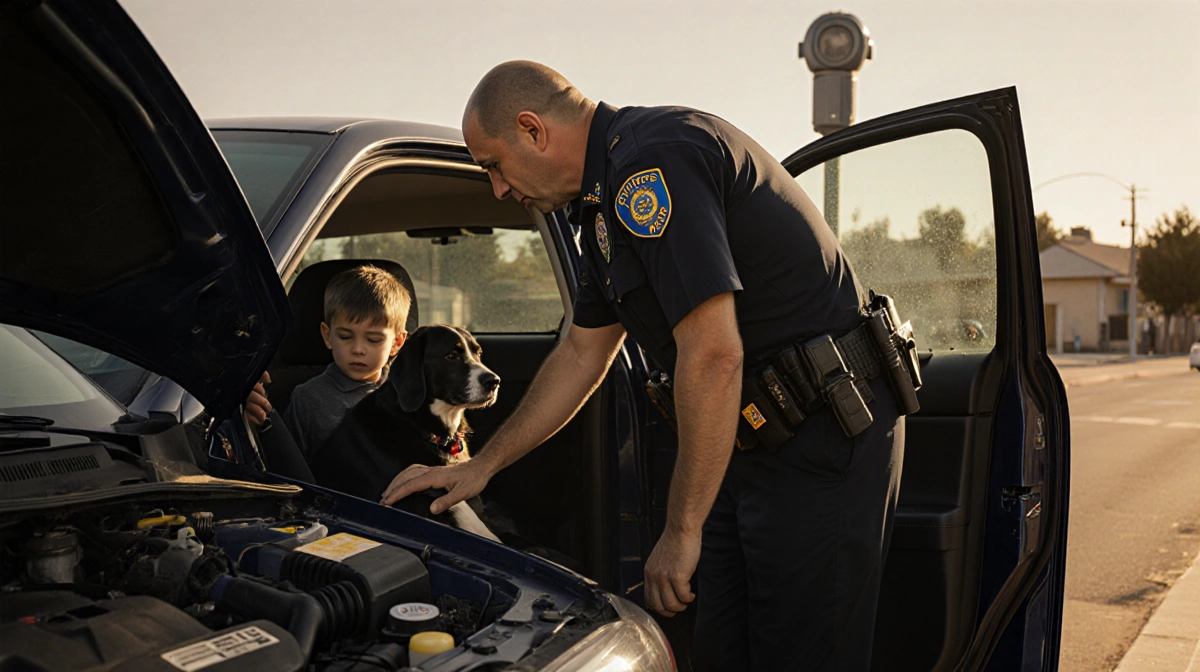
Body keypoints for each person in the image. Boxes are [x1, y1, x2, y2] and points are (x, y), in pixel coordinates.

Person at [380, 61, 905, 671]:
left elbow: (712, 354)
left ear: (532, 129)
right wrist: (482, 468)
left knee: (802, 656)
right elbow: (582, 352)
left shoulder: (654, 165)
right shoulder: (599, 210)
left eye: (494, 165)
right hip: (748, 445)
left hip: (821, 439)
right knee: (720, 651)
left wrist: (680, 532)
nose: (497, 188)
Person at [247, 265, 410, 459]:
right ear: (327, 335)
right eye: (345, 336)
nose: (358, 349)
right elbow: (292, 468)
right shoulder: (309, 399)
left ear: (397, 342)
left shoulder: (410, 397)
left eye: (373, 340)